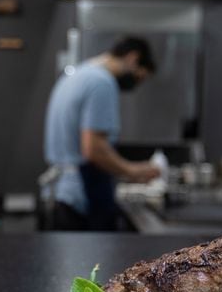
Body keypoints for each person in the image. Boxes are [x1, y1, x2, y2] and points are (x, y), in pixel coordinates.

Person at [43, 36, 161, 231]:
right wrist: (135, 171)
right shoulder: (101, 82)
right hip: (82, 198)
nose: (136, 84)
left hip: (60, 194)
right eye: (140, 76)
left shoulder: (75, 76)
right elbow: (94, 149)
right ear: (133, 58)